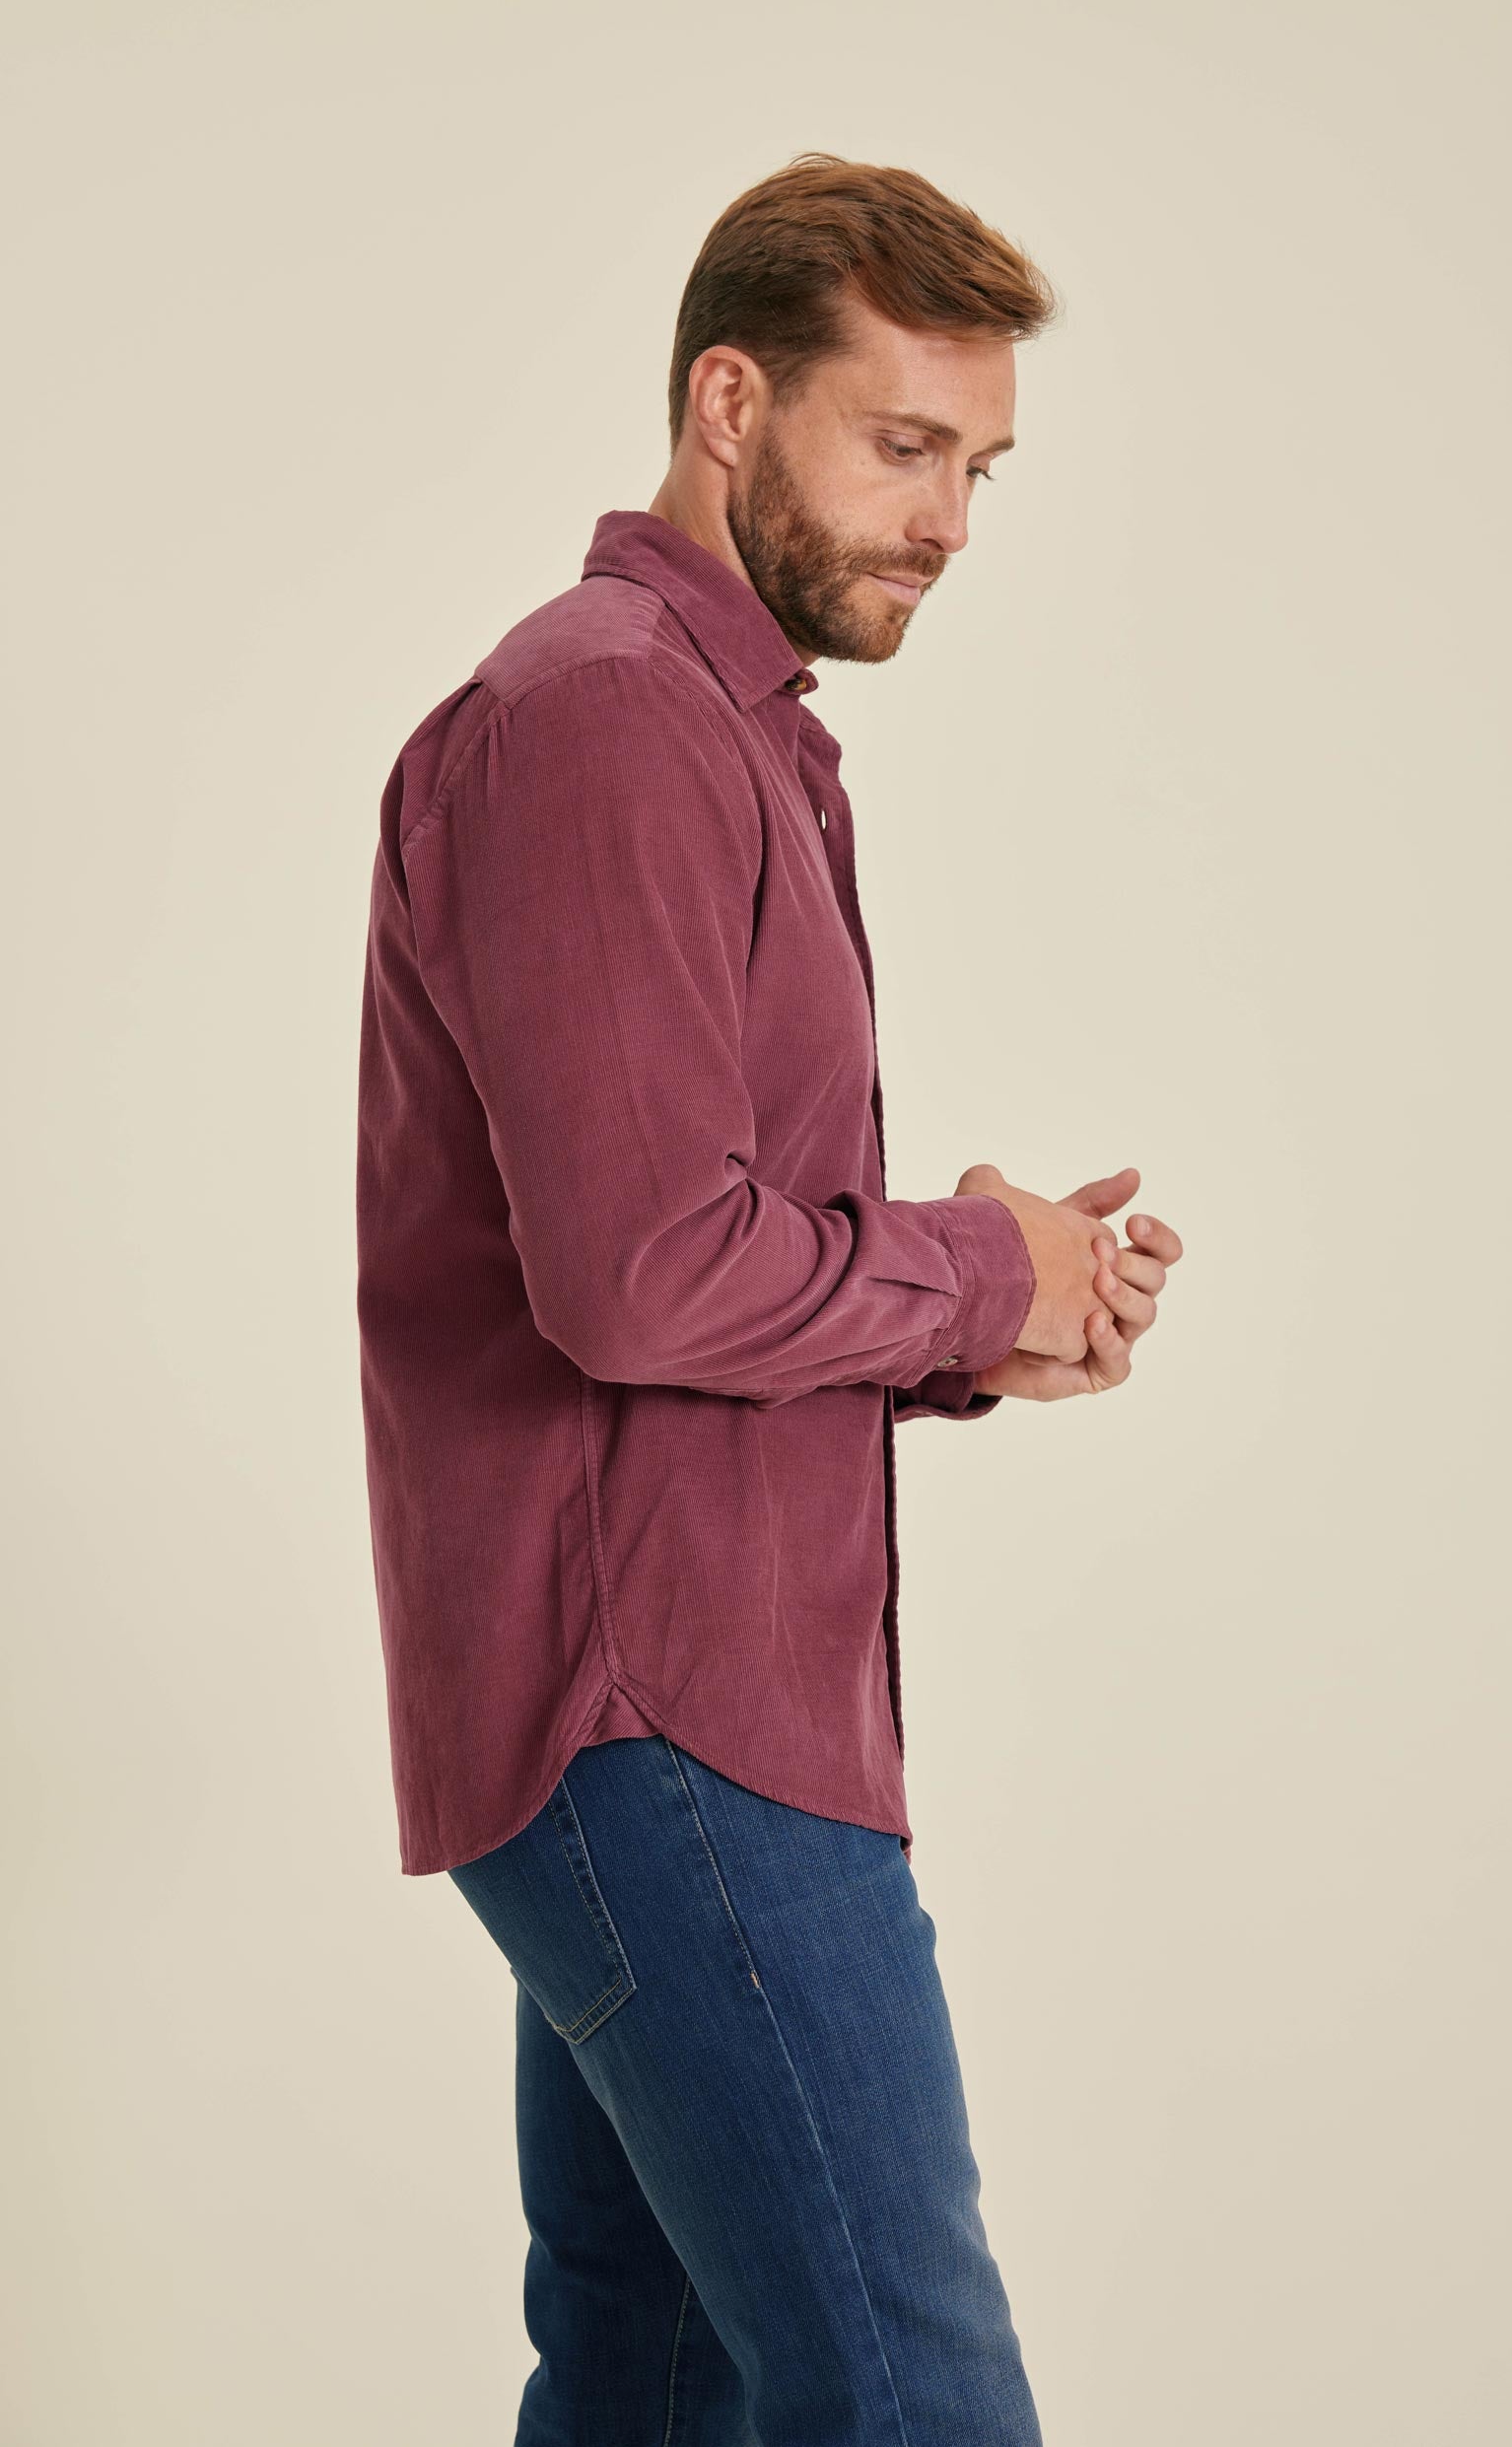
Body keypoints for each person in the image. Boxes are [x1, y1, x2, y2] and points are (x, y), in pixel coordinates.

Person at [356, 150, 1182, 2445]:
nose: (946, 519)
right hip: (668, 1713)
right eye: (898, 443)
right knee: (906, 2394)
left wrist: (986, 1320)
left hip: (668, 1701)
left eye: (977, 465)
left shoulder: (720, 732)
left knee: (660, 2387)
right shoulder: (611, 716)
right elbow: (637, 1281)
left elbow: (676, 1246)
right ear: (731, 402)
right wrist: (960, 1265)